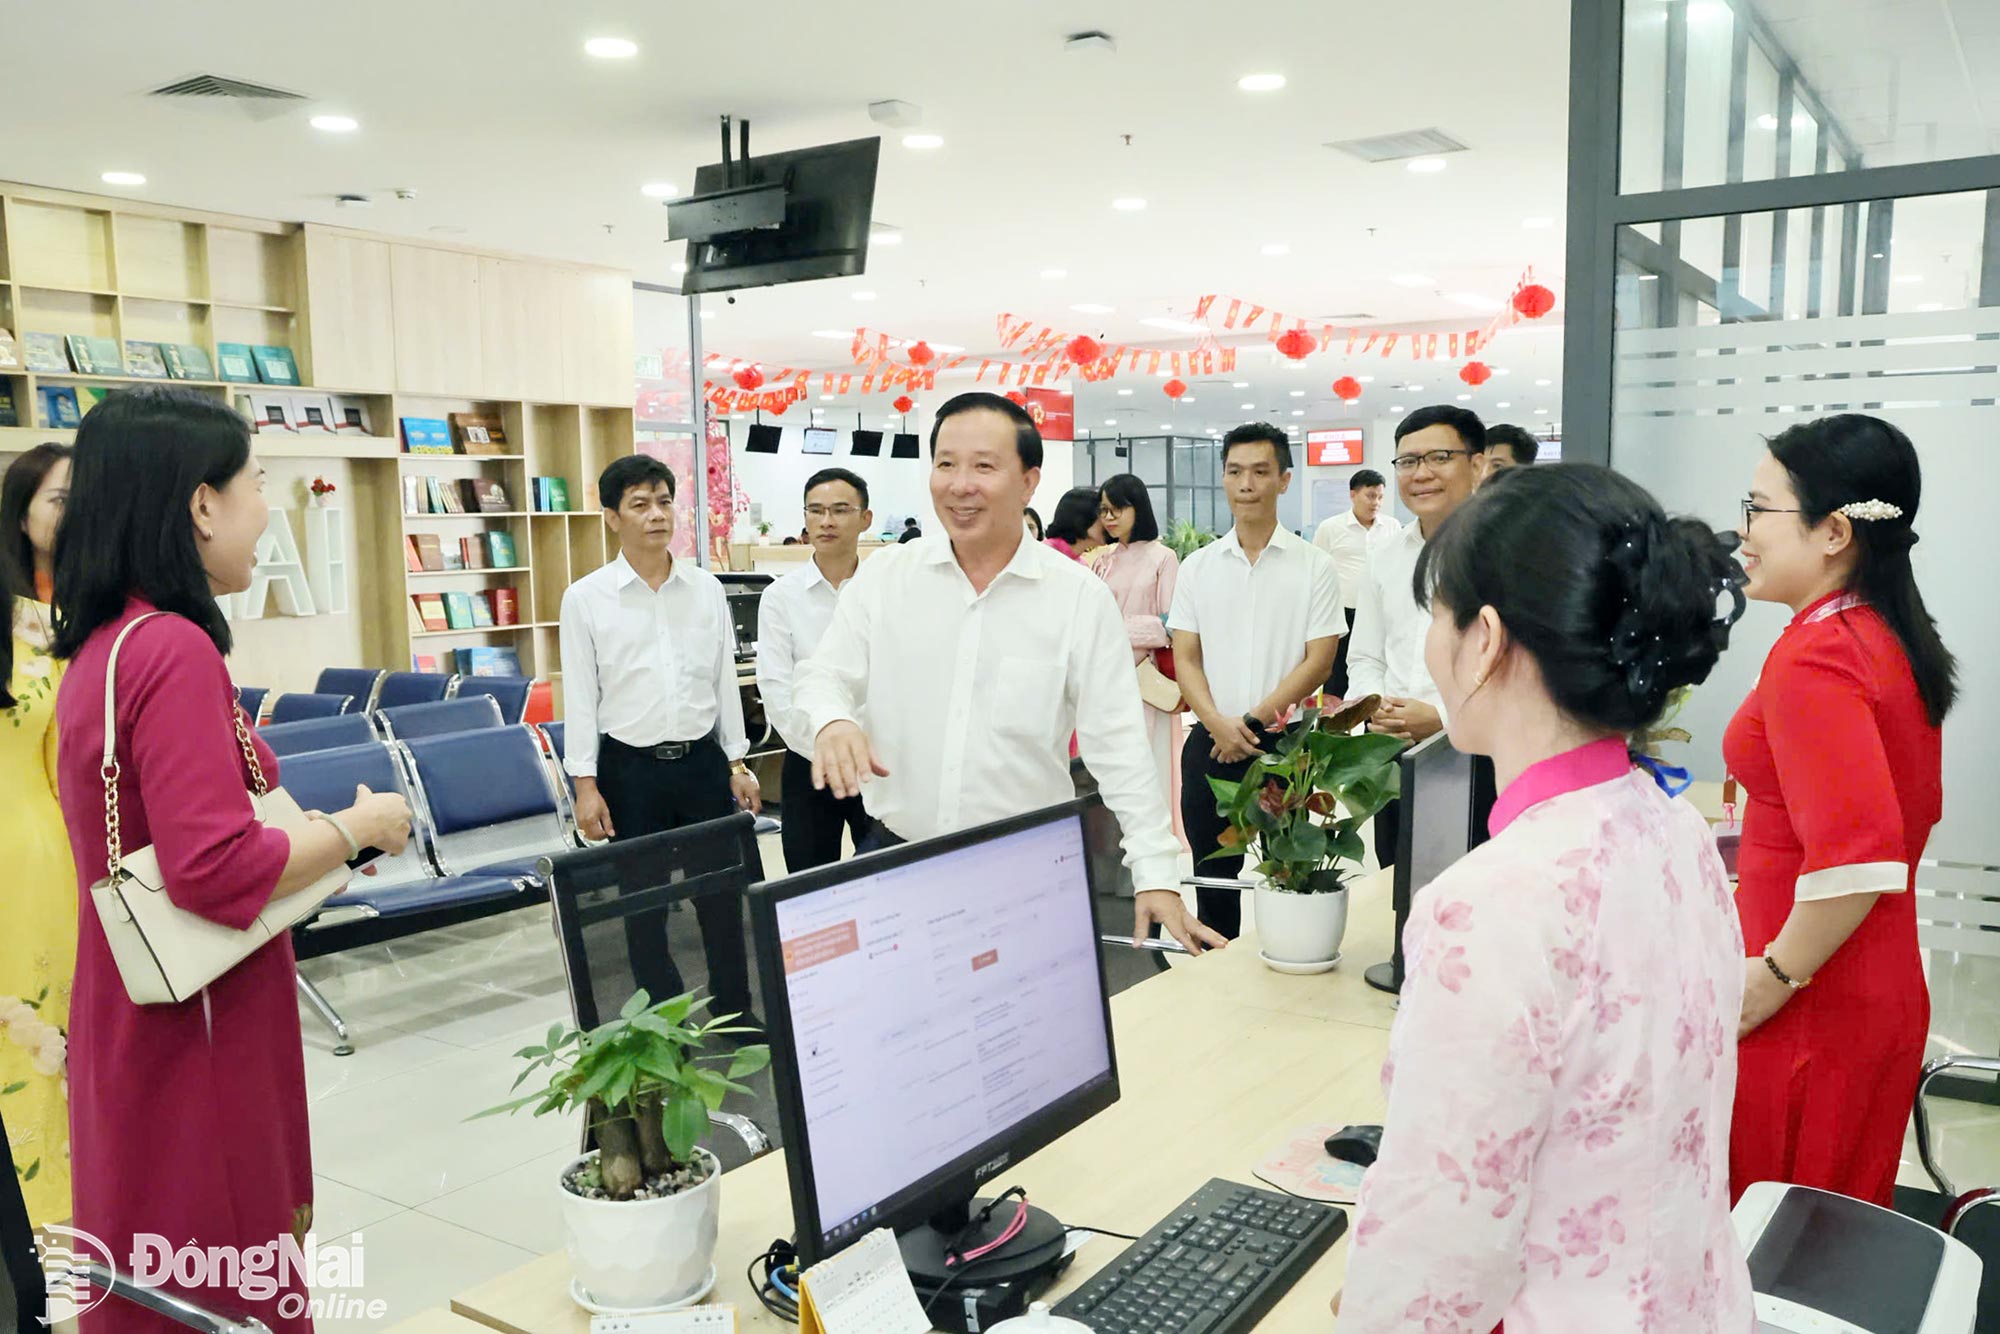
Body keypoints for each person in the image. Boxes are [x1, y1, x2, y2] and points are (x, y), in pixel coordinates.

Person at [1339, 463, 1753, 1330]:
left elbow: (1440, 1241)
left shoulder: (1493, 902)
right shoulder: (1675, 825)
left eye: (1437, 617)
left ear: (1484, 639)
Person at [51, 387, 412, 1333]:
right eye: (258, 484)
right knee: (219, 1284)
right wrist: (358, 828)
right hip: (200, 1026)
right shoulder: (170, 649)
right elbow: (211, 869)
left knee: (151, 1271)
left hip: (142, 1011)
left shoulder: (106, 643)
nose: (267, 513)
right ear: (200, 505)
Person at [797, 391, 1223, 955]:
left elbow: (1117, 743)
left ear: (1028, 482)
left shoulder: (1076, 598)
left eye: (983, 466)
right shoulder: (887, 579)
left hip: (1025, 870)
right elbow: (823, 674)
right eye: (946, 463)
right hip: (894, 854)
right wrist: (831, 722)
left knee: (1020, 1034)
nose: (959, 484)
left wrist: (1155, 869)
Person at [1727, 414, 1952, 1208]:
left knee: (1773, 1252)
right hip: (1858, 984)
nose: (1743, 531)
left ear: (1832, 533)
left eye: (1759, 509)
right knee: (1820, 1243)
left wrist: (1771, 979)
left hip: (1811, 999)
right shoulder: (1871, 631)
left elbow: (1856, 857)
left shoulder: (1819, 655)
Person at [560, 455, 763, 1024]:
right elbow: (581, 696)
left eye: (665, 501)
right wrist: (586, 785)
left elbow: (723, 679)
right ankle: (662, 1019)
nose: (657, 515)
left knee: (719, 892)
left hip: (700, 762)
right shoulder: (586, 598)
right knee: (642, 903)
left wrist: (737, 762)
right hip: (630, 771)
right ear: (612, 517)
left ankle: (735, 1008)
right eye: (640, 504)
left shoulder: (705, 589)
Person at [1168, 423, 1342, 938]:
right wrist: (1218, 724)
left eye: (1260, 471)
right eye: (1235, 471)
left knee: (1289, 878)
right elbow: (1186, 658)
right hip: (1211, 741)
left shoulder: (1315, 566)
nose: (1246, 482)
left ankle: (1283, 969)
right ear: (1224, 478)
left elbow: (1319, 661)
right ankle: (1217, 981)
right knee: (1212, 874)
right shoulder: (1197, 568)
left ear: (1284, 480)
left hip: (1284, 745)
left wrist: (1250, 722)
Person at [1348, 405, 1484, 865]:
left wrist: (1443, 718)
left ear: (1478, 465)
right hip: (1396, 756)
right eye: (1408, 462)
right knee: (1402, 887)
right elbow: (1365, 655)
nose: (1421, 473)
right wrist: (1375, 705)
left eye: (1439, 457)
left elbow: (1526, 672)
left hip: (1483, 757)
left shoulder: (1510, 555)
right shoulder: (1385, 556)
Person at [0, 521, 74, 1228]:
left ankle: (60, 1244)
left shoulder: (35, 625)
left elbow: (66, 768)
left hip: (34, 867)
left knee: (44, 1056)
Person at [758, 468, 874, 872]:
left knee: (887, 876)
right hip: (809, 763)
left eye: (840, 510)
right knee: (810, 884)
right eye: (816, 510)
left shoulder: (883, 588)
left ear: (865, 519)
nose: (827, 521)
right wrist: (824, 746)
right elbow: (776, 688)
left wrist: (860, 749)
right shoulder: (780, 597)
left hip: (876, 763)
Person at [1091, 474, 1181, 828]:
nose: (1109, 518)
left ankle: (1155, 834)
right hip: (1106, 677)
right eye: (1104, 510)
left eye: (1116, 509)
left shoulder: (1164, 557)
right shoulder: (1103, 559)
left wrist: (1115, 629)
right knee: (1110, 761)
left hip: (1146, 679)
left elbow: (1171, 624)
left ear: (1137, 508)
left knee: (1151, 763)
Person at [1310, 467, 1401, 700]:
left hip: (1381, 613)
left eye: (1380, 497)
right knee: (1337, 679)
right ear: (1353, 494)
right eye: (1371, 496)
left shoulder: (1392, 527)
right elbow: (1316, 573)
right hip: (1343, 614)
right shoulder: (1330, 528)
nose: (1376, 502)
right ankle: (1331, 733)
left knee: (1378, 677)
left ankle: (1376, 730)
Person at [1, 442, 72, 604]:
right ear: (22, 516)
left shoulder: (114, 594)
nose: (76, 511)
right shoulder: (9, 600)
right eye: (61, 500)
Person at [1042, 486, 1105, 561]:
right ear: (1083, 520)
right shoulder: (1043, 553)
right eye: (1103, 515)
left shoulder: (1082, 564)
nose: (1108, 522)